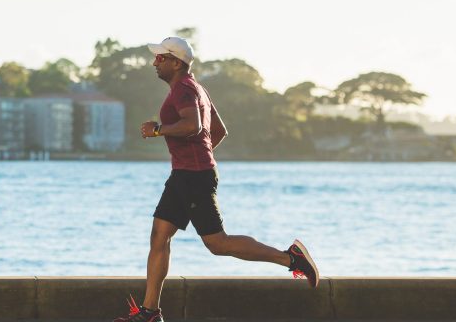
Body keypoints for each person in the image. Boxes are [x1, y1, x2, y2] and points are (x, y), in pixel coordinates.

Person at [113, 37, 319, 322]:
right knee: (159, 236)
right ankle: (151, 312)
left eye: (160, 58)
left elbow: (194, 126)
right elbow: (218, 131)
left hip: (193, 177)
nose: (154, 62)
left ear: (176, 62)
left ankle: (291, 258)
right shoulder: (196, 88)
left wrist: (159, 130)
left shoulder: (184, 90)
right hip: (186, 174)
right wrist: (196, 154)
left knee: (217, 243)